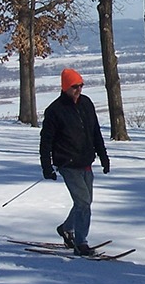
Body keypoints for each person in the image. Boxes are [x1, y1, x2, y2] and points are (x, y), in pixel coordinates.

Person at [40, 68, 110, 256]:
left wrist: (104, 157)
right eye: (74, 86)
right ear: (65, 87)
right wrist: (47, 166)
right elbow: (46, 141)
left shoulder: (86, 103)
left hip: (86, 161)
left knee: (85, 202)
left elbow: (95, 132)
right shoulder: (55, 111)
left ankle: (66, 228)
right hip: (68, 164)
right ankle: (81, 243)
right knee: (83, 203)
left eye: (81, 85)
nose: (79, 89)